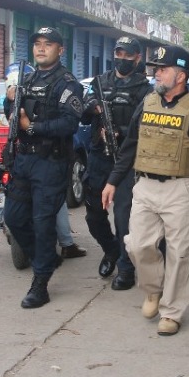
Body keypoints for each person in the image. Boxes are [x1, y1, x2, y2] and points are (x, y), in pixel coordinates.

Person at [102, 45, 189, 336]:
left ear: (181, 75)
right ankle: (153, 289)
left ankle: (172, 311)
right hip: (145, 186)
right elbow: (130, 144)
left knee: (180, 252)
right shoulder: (148, 101)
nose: (156, 73)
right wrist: (113, 180)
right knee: (137, 244)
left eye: (163, 69)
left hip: (182, 188)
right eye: (156, 68)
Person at [3, 27, 84, 309]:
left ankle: (40, 284)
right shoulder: (26, 79)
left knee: (43, 222)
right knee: (13, 218)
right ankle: (45, 257)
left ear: (60, 50)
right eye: (37, 44)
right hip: (23, 159)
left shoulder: (68, 84)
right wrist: (10, 100)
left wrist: (33, 127)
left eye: (47, 44)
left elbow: (69, 124)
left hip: (51, 162)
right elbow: (11, 115)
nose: (41, 49)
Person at [81, 36, 151, 290]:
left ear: (137, 58)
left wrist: (119, 131)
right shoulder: (100, 83)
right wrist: (93, 109)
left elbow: (146, 125)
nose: (122, 59)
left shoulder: (145, 89)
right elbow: (82, 112)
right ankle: (111, 249)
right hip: (99, 157)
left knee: (124, 217)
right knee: (93, 215)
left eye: (128, 55)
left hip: (127, 160)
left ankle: (126, 267)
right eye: (118, 53)